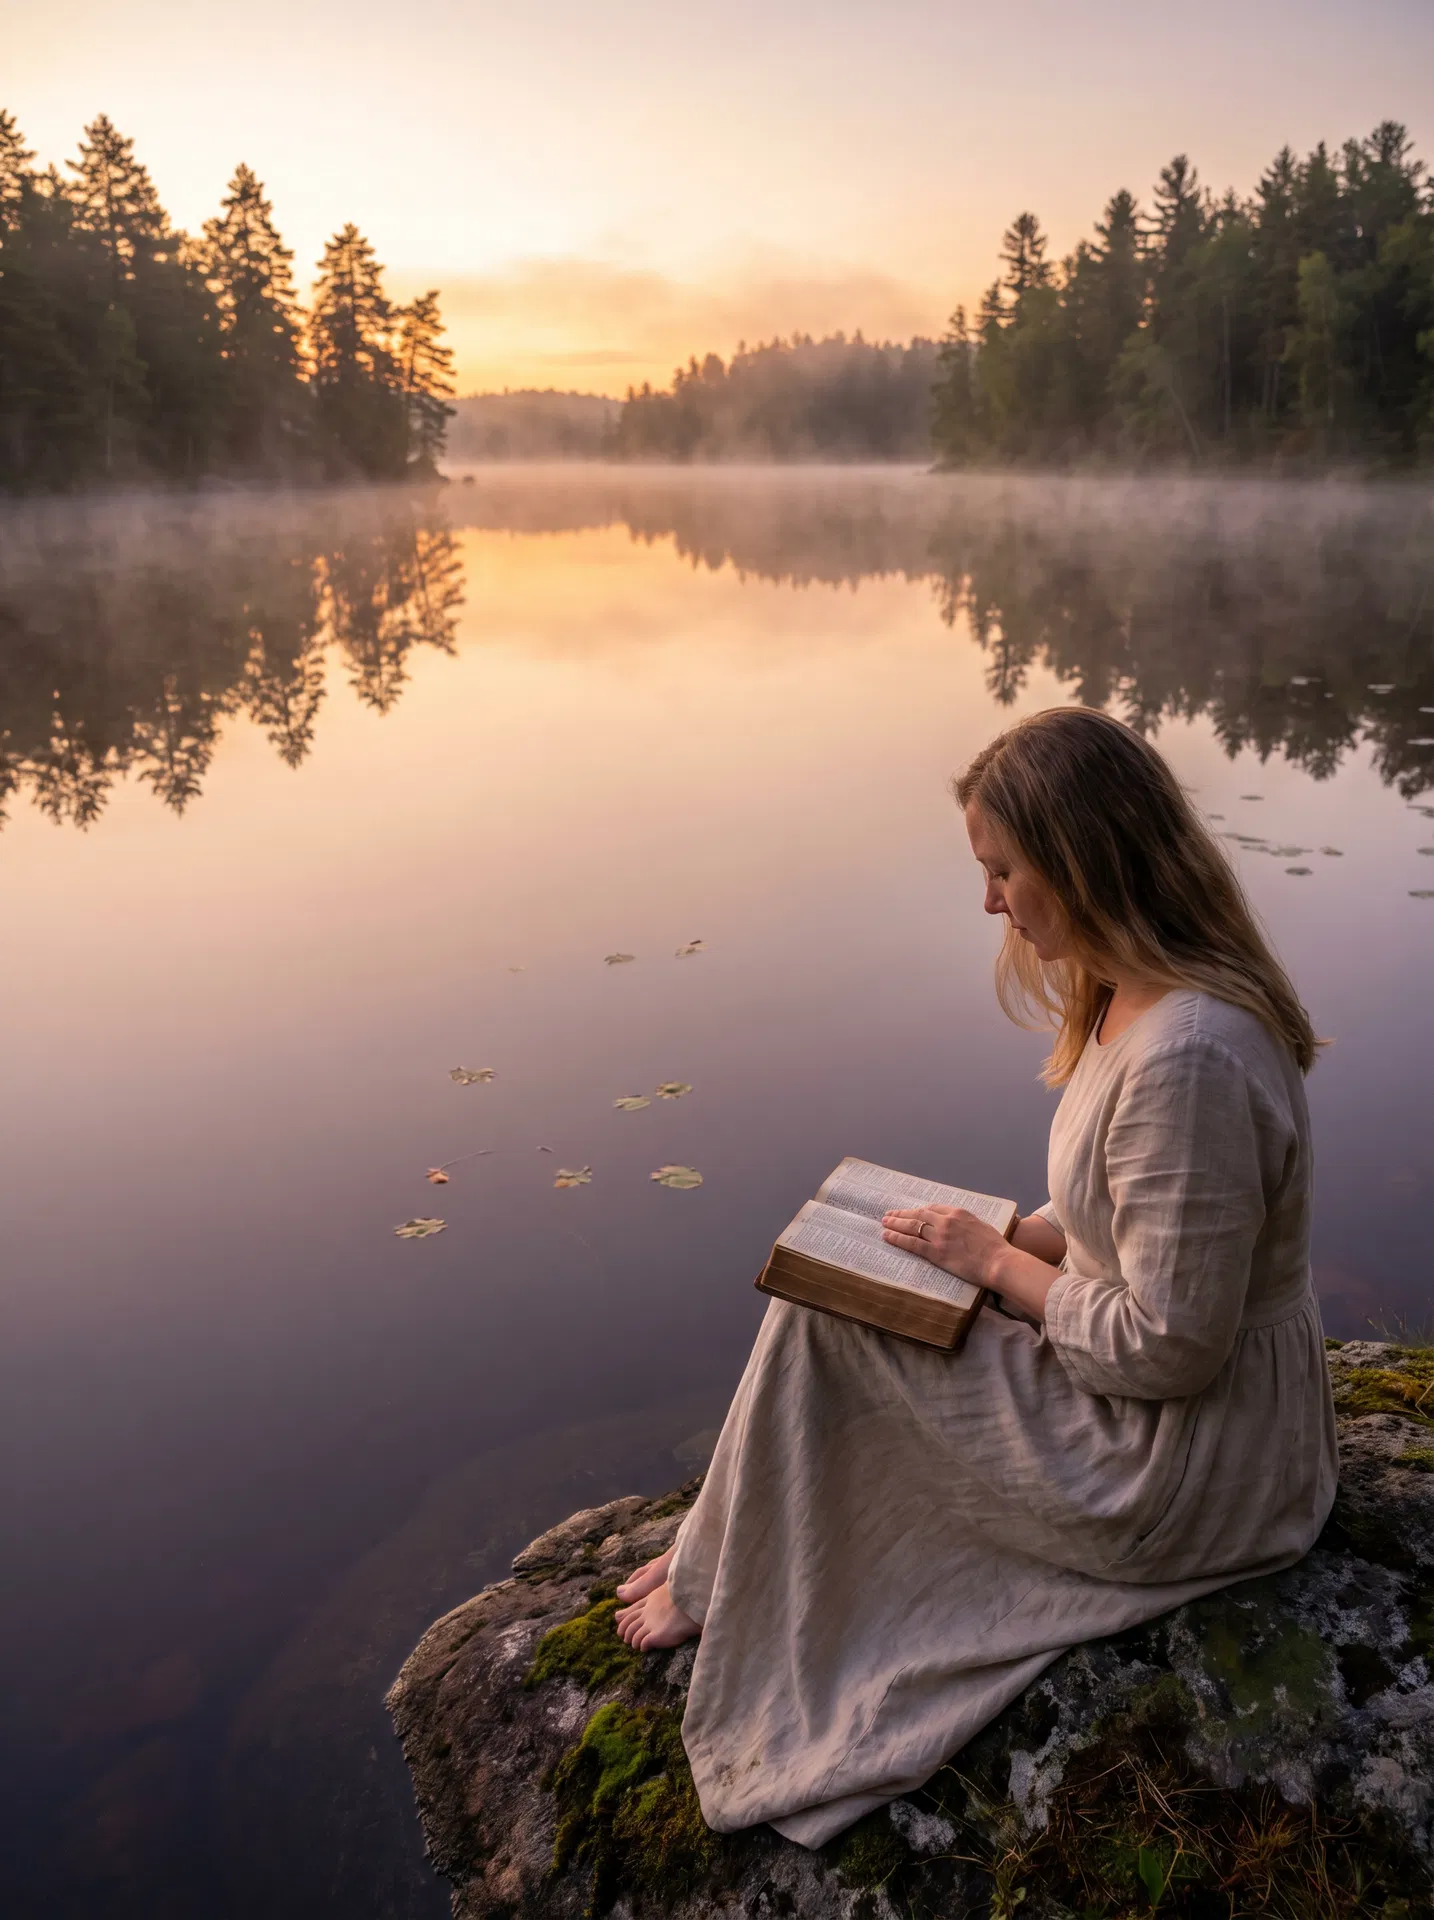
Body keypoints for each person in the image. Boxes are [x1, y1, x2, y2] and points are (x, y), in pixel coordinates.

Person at [613, 706, 1338, 1848]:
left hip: (1184, 1466)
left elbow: (1171, 1346)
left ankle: (726, 1571)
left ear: (1081, 861)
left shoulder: (1187, 1057)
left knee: (832, 1328)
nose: (990, 902)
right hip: (1172, 1413)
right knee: (843, 1293)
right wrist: (1008, 1236)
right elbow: (1125, 1212)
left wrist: (995, 1266)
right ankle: (731, 1547)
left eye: (1004, 870)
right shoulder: (1133, 996)